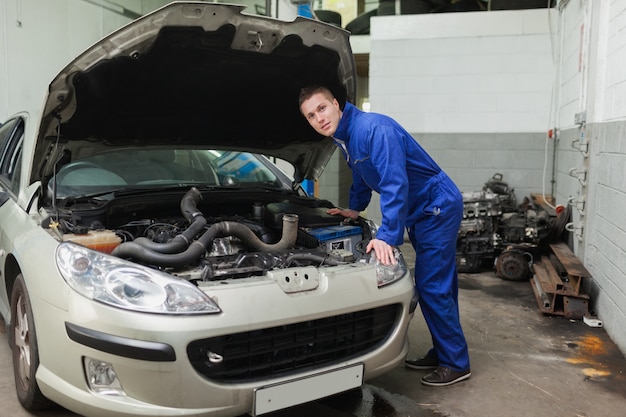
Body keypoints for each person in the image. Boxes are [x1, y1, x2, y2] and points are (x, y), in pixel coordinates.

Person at [298, 86, 470, 386]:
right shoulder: (346, 137)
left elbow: (394, 183)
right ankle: (445, 351)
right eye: (311, 116)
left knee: (431, 286)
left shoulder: (373, 128)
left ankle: (456, 363)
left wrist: (388, 236)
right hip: (422, 210)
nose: (318, 119)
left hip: (435, 206)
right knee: (439, 285)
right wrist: (354, 209)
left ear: (336, 104)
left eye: (322, 108)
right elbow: (362, 176)